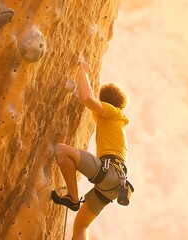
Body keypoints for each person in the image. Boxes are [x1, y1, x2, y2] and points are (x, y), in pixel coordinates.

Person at [51, 57, 130, 240]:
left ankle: (72, 197)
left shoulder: (113, 112)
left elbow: (87, 98)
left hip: (109, 172)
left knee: (61, 151)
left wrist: (83, 71)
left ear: (108, 103)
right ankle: (73, 199)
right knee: (81, 226)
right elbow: (90, 97)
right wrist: (89, 84)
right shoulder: (113, 120)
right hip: (113, 185)